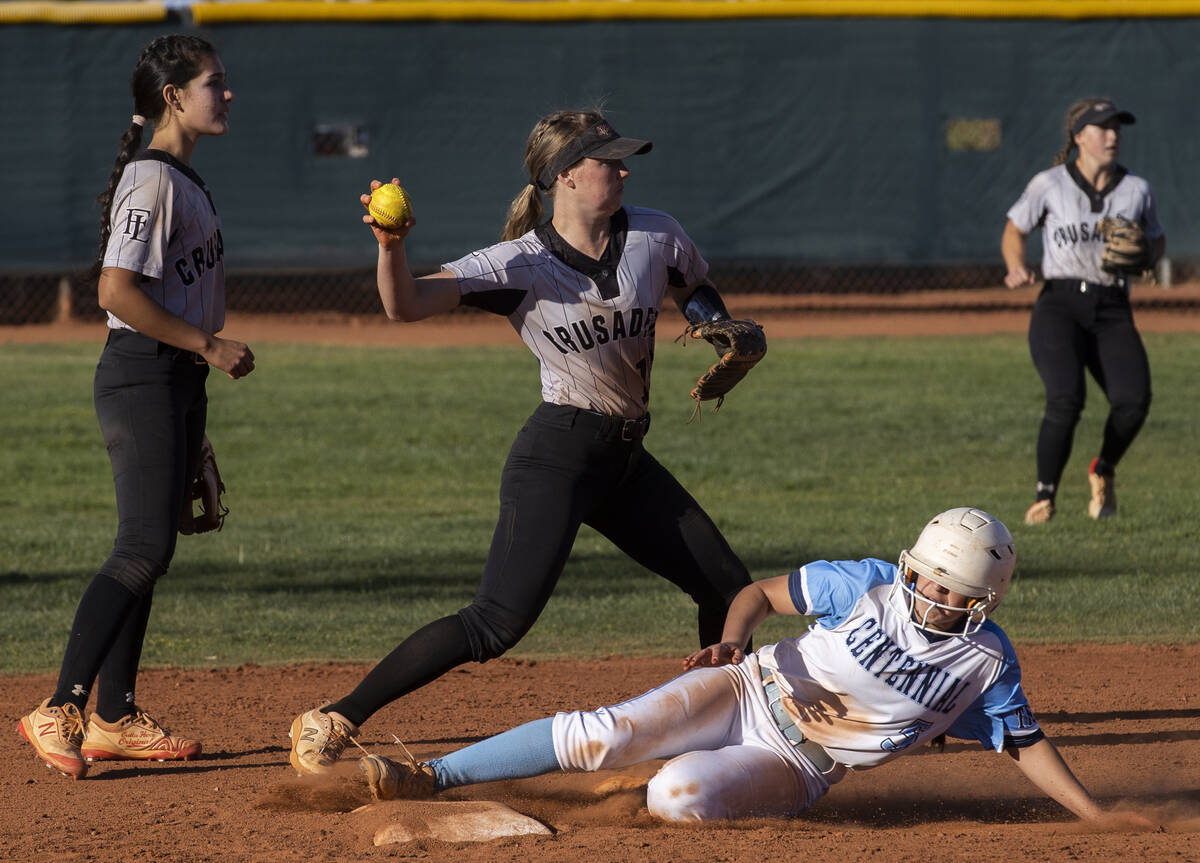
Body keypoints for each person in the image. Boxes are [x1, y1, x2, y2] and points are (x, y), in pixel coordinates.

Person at [288, 110, 756, 775]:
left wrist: (719, 326)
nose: (623, 170)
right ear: (564, 176)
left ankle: (720, 737)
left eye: (625, 160)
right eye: (608, 161)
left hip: (624, 460)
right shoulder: (521, 263)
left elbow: (694, 282)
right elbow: (406, 305)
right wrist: (391, 246)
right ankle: (337, 714)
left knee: (729, 590)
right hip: (559, 455)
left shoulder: (656, 232)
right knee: (494, 624)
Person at [355, 508, 1153, 830]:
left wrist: (1093, 814)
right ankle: (433, 774)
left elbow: (1024, 743)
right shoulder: (871, 581)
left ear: (983, 600)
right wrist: (733, 641)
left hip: (795, 761)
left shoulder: (983, 662)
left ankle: (642, 778)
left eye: (951, 589)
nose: (930, 592)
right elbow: (759, 593)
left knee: (677, 796)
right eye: (928, 574)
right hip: (748, 684)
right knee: (606, 732)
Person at [17, 35, 255, 780]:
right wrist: (208, 345)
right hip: (142, 373)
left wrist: (196, 399)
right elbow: (115, 292)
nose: (227, 94)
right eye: (214, 83)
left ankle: (114, 715)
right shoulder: (153, 181)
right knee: (142, 547)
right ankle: (60, 705)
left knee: (154, 547)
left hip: (173, 381)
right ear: (173, 96)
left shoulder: (179, 178)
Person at [1001, 98, 1164, 525]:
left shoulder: (1137, 190)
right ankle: (1044, 495)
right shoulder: (1050, 184)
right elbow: (1015, 229)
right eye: (1102, 128)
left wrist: (1145, 253)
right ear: (1079, 138)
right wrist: (1016, 265)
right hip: (1060, 303)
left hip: (1112, 306)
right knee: (1066, 397)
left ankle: (1103, 468)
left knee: (1134, 401)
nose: (1113, 136)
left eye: (1117, 128)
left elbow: (1156, 241)